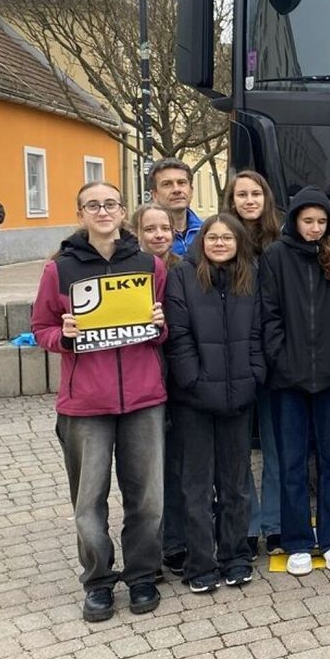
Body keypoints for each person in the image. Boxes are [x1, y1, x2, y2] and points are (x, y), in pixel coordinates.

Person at [31, 181, 168, 622]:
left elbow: (163, 329)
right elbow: (41, 328)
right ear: (81, 214)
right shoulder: (59, 270)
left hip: (144, 398)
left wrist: (159, 323)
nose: (103, 211)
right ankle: (98, 581)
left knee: (147, 498)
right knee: (88, 501)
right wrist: (64, 336)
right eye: (93, 205)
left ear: (123, 211)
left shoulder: (149, 265)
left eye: (110, 204)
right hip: (85, 403)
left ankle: (142, 574)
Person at [259, 186, 330, 576]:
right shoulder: (275, 256)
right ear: (295, 221)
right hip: (288, 380)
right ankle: (298, 539)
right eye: (308, 220)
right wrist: (280, 360)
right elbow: (269, 314)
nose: (314, 227)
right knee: (292, 462)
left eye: (321, 221)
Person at [164, 214, 266, 592]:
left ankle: (235, 555)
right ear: (201, 241)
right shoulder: (182, 275)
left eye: (227, 237)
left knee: (235, 483)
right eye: (213, 237)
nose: (220, 243)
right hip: (193, 400)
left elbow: (258, 330)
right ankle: (200, 563)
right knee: (196, 486)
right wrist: (192, 380)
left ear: (238, 242)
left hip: (239, 395)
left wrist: (254, 374)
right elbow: (178, 336)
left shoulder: (250, 276)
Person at [223, 171, 284, 554]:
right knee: (238, 450)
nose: (249, 200)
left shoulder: (281, 242)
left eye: (255, 193)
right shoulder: (221, 242)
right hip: (235, 359)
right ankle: (246, 524)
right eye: (241, 194)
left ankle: (275, 524)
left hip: (275, 358)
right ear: (231, 201)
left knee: (276, 447)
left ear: (266, 198)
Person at [129, 202, 187, 575]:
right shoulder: (128, 272)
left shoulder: (184, 270)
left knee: (178, 464)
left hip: (180, 378)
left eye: (164, 228)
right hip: (142, 380)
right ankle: (153, 547)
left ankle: (176, 541)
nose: (159, 235)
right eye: (150, 229)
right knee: (147, 471)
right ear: (137, 234)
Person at [148, 158, 203, 257]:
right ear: (154, 195)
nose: (176, 190)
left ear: (191, 191)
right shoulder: (144, 239)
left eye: (181, 183)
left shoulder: (207, 231)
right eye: (167, 184)